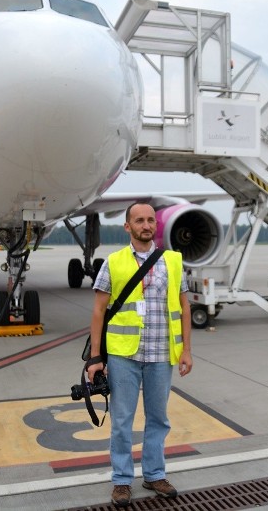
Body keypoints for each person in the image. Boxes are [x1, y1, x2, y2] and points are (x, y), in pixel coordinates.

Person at [86, 202, 193, 508]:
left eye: (150, 220)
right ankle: (121, 480)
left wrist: (186, 349)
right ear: (127, 227)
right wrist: (96, 358)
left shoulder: (173, 261)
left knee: (159, 419)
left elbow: (184, 307)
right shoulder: (114, 262)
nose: (146, 225)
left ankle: (154, 474)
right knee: (122, 420)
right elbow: (98, 311)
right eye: (139, 221)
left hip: (161, 354)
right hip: (124, 355)